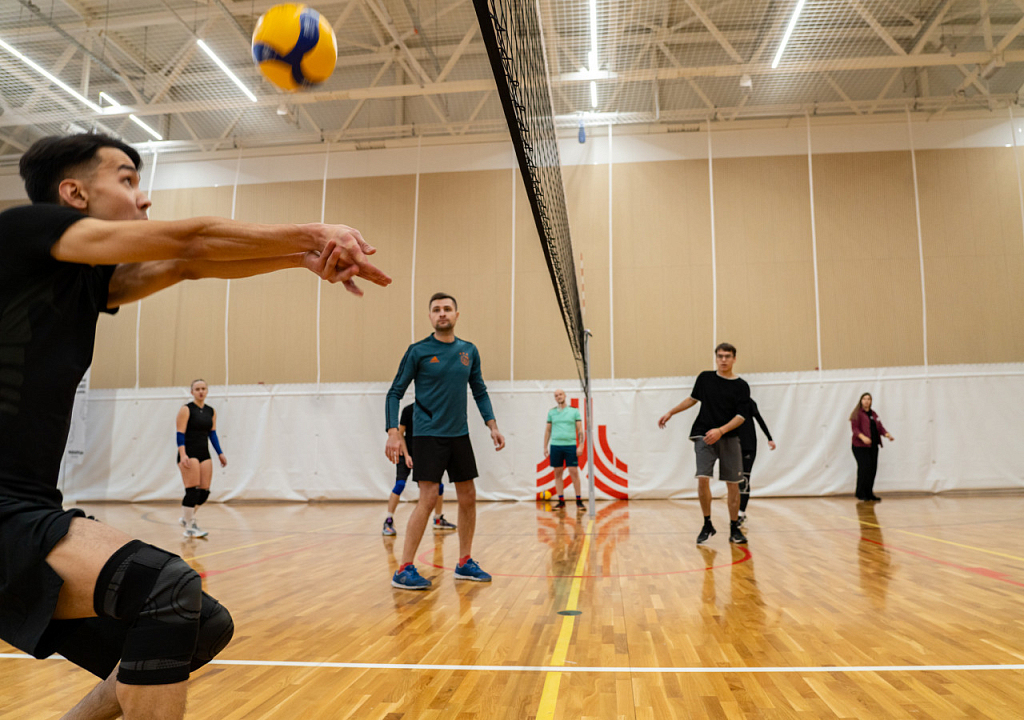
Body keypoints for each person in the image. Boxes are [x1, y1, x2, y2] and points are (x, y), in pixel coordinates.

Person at [0, 133, 389, 719]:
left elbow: (187, 262)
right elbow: (192, 238)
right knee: (165, 589)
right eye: (126, 179)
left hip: (28, 504)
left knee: (196, 625)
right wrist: (315, 234)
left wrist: (302, 260)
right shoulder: (22, 228)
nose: (144, 197)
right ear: (74, 194)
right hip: (5, 509)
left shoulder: (80, 282)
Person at [384, 292, 505, 590]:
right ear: (430, 316)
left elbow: (479, 390)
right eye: (436, 309)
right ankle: (404, 568)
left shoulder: (468, 351)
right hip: (428, 435)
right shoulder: (418, 351)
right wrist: (393, 432)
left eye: (447, 309)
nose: (442, 313)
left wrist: (492, 425)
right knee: (428, 498)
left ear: (456, 315)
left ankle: (464, 562)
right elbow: (394, 392)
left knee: (468, 496)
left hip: (459, 435)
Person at [658, 343, 750, 546]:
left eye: (727, 356)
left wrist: (721, 431)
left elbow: (741, 416)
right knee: (702, 478)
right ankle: (707, 524)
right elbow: (692, 399)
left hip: (729, 437)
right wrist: (671, 412)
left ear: (734, 359)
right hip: (703, 435)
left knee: (733, 484)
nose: (723, 360)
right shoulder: (705, 378)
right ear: (715, 358)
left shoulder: (741, 386)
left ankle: (734, 528)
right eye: (720, 356)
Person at [382, 403, 456, 536]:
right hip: (405, 453)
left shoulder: (432, 410)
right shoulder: (408, 410)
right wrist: (407, 455)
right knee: (400, 484)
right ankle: (388, 521)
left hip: (422, 454)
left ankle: (438, 520)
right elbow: (400, 434)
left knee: (438, 486)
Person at [176, 379, 226, 539]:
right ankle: (190, 527)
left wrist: (220, 453)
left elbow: (212, 434)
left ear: (207, 390)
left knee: (204, 492)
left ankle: (186, 518)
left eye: (203, 388)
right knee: (192, 491)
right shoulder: (186, 409)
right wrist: (183, 454)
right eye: (197, 389)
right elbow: (180, 433)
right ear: (192, 392)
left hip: (204, 453)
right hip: (189, 453)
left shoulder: (211, 411)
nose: (201, 391)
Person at [735, 398, 776, 526]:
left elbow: (759, 419)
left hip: (748, 445)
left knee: (744, 479)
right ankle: (736, 511)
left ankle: (741, 513)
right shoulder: (726, 402)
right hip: (733, 445)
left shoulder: (748, 402)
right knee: (735, 481)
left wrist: (769, 438)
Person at [543, 389, 585, 512]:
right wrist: (545, 446)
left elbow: (580, 430)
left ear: (565, 396)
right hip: (556, 446)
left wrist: (581, 445)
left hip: (570, 445)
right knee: (558, 473)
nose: (558, 397)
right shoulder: (551, 412)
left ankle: (579, 501)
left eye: (560, 394)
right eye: (556, 395)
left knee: (574, 472)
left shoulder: (574, 411)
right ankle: (561, 501)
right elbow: (548, 430)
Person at [850, 392, 894, 502]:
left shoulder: (873, 414)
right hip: (860, 446)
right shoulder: (857, 414)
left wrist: (887, 435)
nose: (866, 401)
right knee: (864, 468)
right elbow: (855, 429)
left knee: (872, 469)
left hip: (873, 446)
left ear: (871, 401)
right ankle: (860, 493)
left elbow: (880, 427)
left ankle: (869, 493)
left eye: (868, 399)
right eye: (864, 399)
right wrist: (863, 437)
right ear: (861, 401)